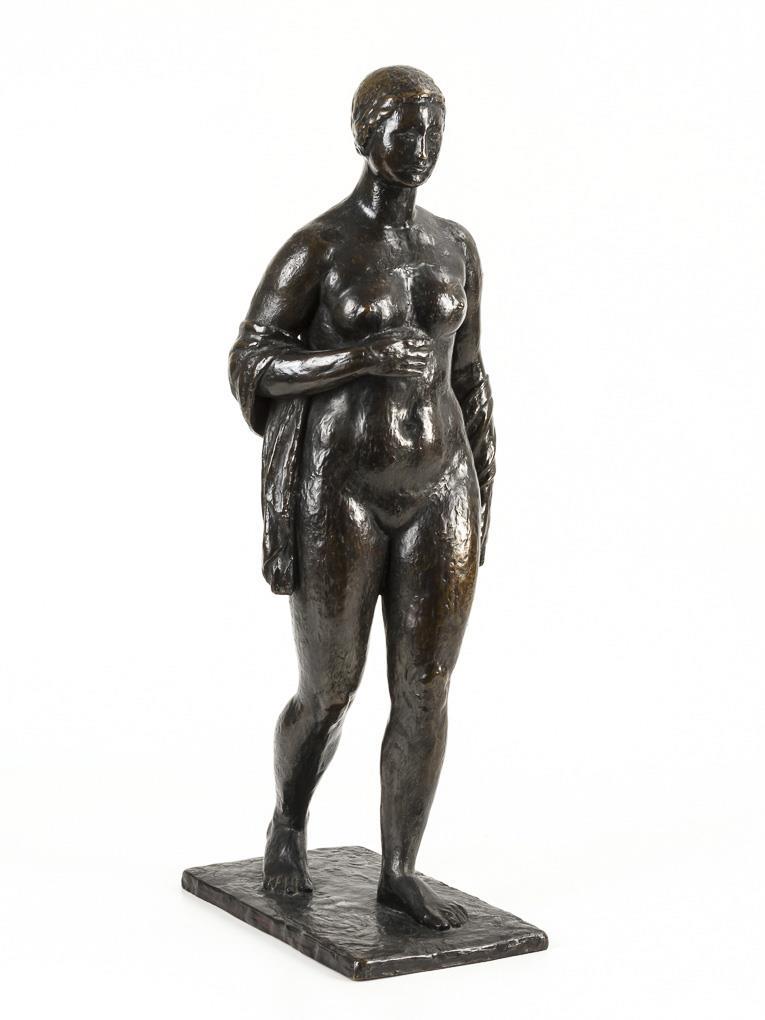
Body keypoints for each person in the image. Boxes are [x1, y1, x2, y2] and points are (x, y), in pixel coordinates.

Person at [229, 66, 496, 930]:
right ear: (363, 133)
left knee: (425, 686)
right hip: (339, 490)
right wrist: (357, 358)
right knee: (330, 688)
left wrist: (484, 489)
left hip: (440, 486)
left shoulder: (456, 246)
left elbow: (469, 374)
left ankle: (399, 870)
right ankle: (288, 821)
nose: (422, 145)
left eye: (434, 128)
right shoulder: (321, 247)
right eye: (405, 127)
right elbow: (252, 360)